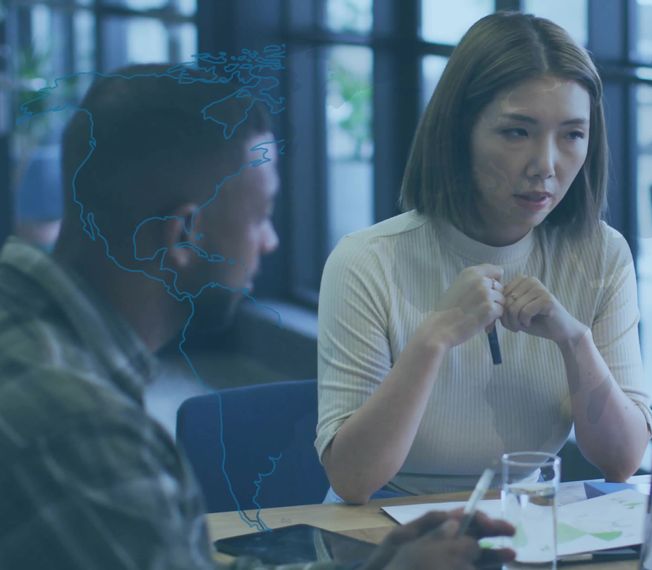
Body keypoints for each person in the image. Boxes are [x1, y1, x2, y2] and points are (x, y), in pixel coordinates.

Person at [0, 64, 514, 569]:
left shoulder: (36, 331)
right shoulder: (78, 430)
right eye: (261, 215)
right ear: (185, 234)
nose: (270, 242)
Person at [317, 12, 652, 503]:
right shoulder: (366, 261)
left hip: (530, 519)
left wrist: (574, 339)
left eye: (571, 135)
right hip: (388, 518)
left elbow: (622, 461)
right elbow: (352, 480)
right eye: (517, 132)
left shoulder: (601, 255)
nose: (545, 165)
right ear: (460, 132)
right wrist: (433, 338)